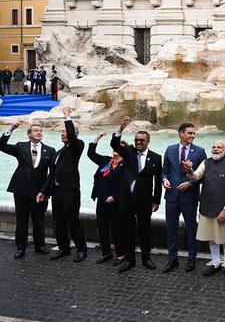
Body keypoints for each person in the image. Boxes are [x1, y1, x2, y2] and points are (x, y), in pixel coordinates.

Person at [111, 117, 162, 273]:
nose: (139, 142)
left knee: (145, 230)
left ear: (148, 141)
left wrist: (156, 200)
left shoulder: (156, 157)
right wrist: (120, 128)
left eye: (142, 140)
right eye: (137, 140)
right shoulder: (128, 152)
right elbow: (114, 144)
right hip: (126, 199)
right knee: (127, 230)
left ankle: (146, 258)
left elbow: (158, 181)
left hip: (144, 200)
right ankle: (129, 260)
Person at [38, 107, 88, 262]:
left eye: (65, 132)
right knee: (58, 222)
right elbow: (52, 174)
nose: (63, 134)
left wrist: (67, 116)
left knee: (73, 221)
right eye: (62, 132)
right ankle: (64, 248)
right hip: (57, 191)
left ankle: (81, 249)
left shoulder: (77, 146)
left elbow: (72, 135)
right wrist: (43, 191)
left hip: (70, 191)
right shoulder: (59, 152)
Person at [184, 140, 225, 279]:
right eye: (213, 147)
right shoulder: (206, 162)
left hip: (224, 209)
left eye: (219, 147)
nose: (215, 149)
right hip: (206, 207)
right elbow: (195, 177)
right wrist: (189, 170)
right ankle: (216, 263)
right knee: (211, 237)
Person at [0, 121, 55, 259]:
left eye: (41, 130)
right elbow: (1, 146)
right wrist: (11, 129)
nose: (39, 132)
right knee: (21, 220)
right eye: (36, 130)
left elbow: (52, 174)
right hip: (21, 189)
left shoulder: (50, 150)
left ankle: (40, 246)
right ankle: (20, 248)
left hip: (39, 192)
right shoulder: (20, 146)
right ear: (29, 134)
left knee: (39, 220)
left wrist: (46, 191)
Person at [161, 123, 207, 274]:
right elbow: (165, 170)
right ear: (181, 133)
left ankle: (191, 259)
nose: (193, 136)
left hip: (190, 197)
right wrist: (164, 179)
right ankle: (172, 259)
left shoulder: (200, 152)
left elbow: (204, 175)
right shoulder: (170, 149)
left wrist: (190, 182)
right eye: (190, 133)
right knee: (171, 229)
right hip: (172, 196)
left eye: (194, 133)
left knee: (191, 229)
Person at [87, 132, 126, 265]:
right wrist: (97, 138)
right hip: (101, 199)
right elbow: (91, 154)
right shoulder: (106, 160)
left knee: (116, 228)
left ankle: (121, 254)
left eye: (119, 147)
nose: (116, 149)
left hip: (115, 201)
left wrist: (114, 196)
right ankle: (106, 253)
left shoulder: (126, 165)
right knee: (102, 227)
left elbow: (124, 184)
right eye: (115, 147)